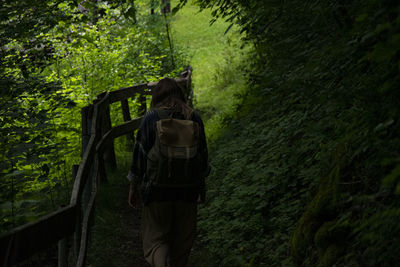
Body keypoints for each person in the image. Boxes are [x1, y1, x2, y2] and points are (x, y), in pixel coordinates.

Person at [127, 77, 210, 267]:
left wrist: (133, 186)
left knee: (157, 240)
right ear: (180, 95)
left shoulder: (152, 118)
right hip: (188, 190)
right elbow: (202, 157)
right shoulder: (193, 117)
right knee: (182, 242)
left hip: (157, 190)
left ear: (157, 97)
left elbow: (140, 154)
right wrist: (201, 187)